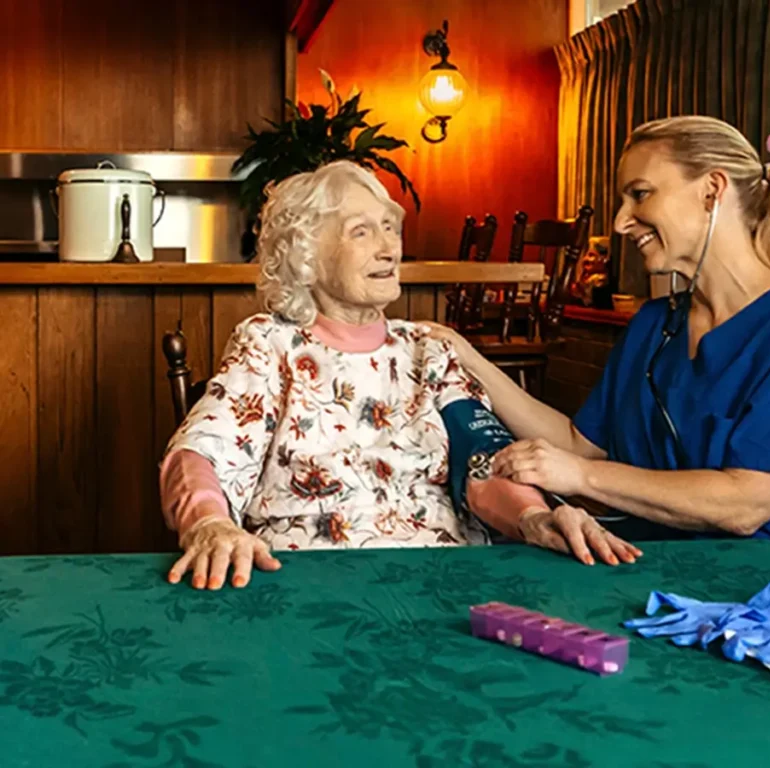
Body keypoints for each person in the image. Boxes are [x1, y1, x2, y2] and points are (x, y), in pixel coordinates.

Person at [160, 160, 640, 591]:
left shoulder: (429, 350)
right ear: (305, 257)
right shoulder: (270, 344)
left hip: (441, 580)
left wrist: (534, 515)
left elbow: (483, 461)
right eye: (361, 231)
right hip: (306, 583)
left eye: (390, 228)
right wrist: (208, 523)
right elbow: (203, 450)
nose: (390, 247)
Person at [430, 116, 770, 575]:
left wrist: (581, 477)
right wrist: (467, 356)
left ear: (712, 190)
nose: (620, 222)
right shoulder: (656, 324)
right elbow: (582, 444)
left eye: (639, 194)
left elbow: (747, 504)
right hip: (655, 575)